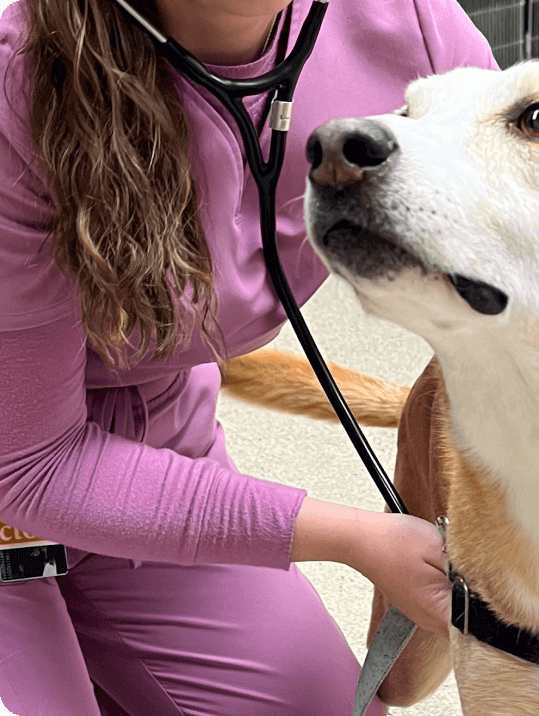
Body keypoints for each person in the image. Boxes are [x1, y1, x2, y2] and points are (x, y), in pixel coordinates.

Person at [0, 0, 498, 713]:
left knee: (319, 705)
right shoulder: (14, 67)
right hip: (16, 456)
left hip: (155, 432)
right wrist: (352, 536)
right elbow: (30, 465)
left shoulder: (405, 22)